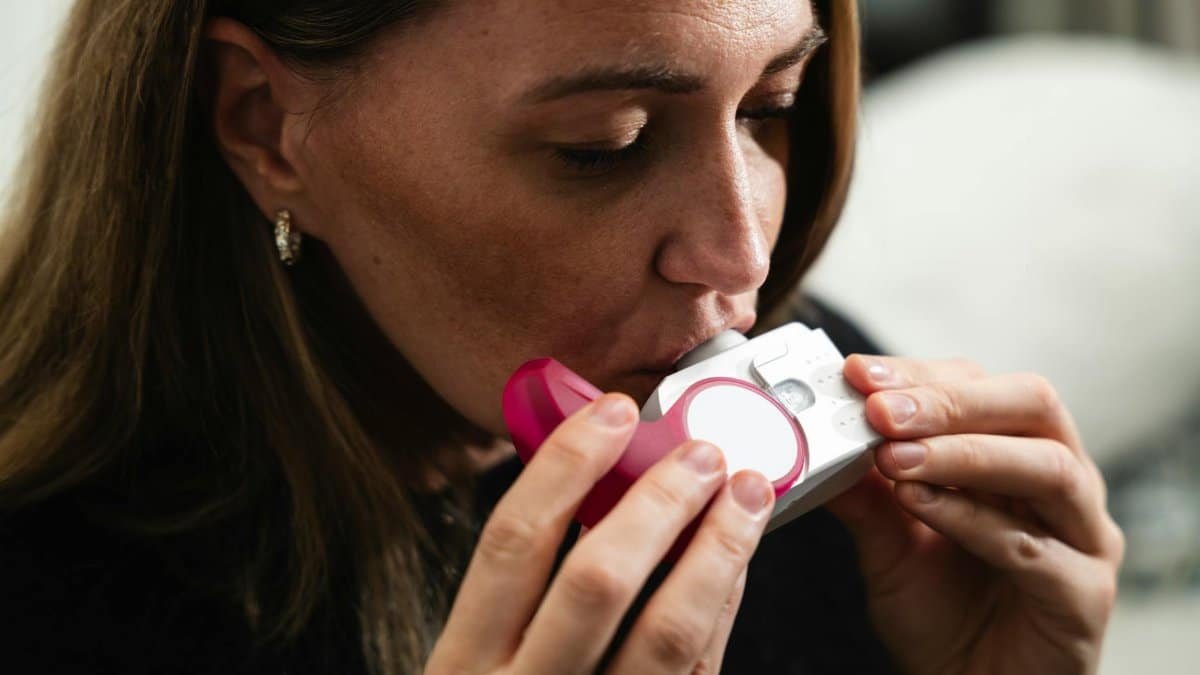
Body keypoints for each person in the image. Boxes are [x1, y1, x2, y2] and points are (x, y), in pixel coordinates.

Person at [0, 1, 1124, 673]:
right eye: (604, 145)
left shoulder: (838, 489)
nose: (744, 264)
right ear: (266, 125)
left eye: (771, 106)